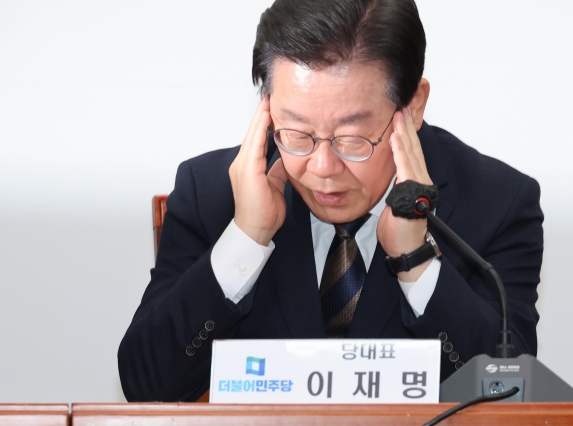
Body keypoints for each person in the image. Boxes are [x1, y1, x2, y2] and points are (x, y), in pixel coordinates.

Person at [118, 0, 543, 402]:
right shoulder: (209, 193)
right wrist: (247, 238)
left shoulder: (496, 203)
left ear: (412, 107)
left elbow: (511, 395)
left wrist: (415, 259)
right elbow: (147, 383)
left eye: (352, 138)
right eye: (297, 133)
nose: (321, 166)